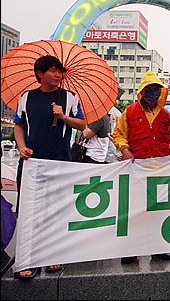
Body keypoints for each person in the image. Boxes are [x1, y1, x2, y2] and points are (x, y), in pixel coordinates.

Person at [12, 55, 86, 279]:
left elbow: (82, 124)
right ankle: (28, 259)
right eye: (52, 71)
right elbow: (18, 125)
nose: (57, 75)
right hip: (31, 161)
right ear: (39, 74)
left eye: (59, 71)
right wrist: (21, 147)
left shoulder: (70, 97)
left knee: (56, 209)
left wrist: (63, 116)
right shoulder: (27, 97)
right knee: (29, 209)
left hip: (59, 160)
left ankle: (54, 256)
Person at [112, 71, 170, 264]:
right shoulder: (129, 112)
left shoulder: (166, 115)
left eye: (156, 90)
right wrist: (124, 148)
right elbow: (118, 134)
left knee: (158, 211)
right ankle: (131, 250)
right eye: (149, 90)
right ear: (142, 92)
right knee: (135, 211)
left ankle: (158, 248)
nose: (153, 94)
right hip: (137, 169)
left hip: (160, 171)